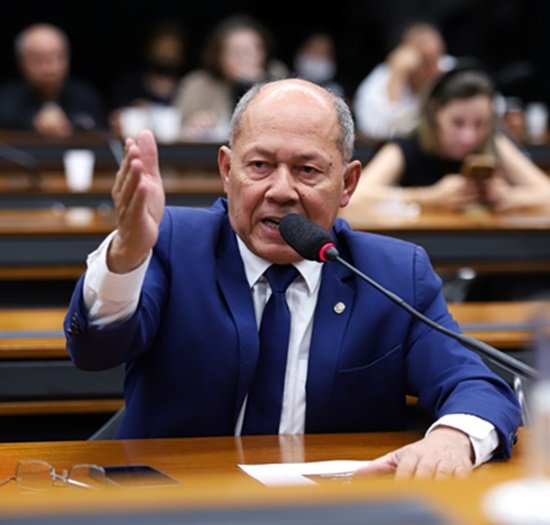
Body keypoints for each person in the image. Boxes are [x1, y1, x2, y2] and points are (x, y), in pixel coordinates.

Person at [64, 78, 520, 478]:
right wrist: (127, 253)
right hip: (178, 503)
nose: (281, 191)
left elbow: (475, 385)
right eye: (260, 166)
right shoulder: (171, 243)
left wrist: (454, 439)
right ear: (227, 171)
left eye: (307, 170)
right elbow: (95, 350)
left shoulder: (395, 274)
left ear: (347, 184)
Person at [350, 67, 550, 212]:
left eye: (480, 124)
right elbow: (354, 196)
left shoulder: (494, 142)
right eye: (458, 123)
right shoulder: (405, 147)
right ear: (434, 113)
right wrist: (428, 198)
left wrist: (510, 197)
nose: (469, 137)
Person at [173, 14, 286, 141]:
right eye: (237, 52)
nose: (245, 59)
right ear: (219, 55)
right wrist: (194, 127)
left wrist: (257, 84)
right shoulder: (197, 85)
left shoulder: (277, 80)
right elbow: (176, 132)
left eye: (251, 51)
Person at [353, 21, 454, 141]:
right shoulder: (379, 82)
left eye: (437, 57)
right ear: (406, 58)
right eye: (426, 60)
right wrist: (398, 75)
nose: (433, 68)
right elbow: (378, 130)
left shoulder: (449, 69)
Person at [0, 23, 106, 137]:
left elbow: (101, 132)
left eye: (57, 57)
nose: (49, 69)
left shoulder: (86, 97)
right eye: (38, 60)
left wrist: (69, 125)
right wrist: (34, 123)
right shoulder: (6, 99)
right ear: (21, 62)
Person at [108, 19, 187, 130]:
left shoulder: (186, 86)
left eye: (173, 50)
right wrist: (132, 112)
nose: (167, 55)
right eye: (162, 49)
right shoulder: (130, 85)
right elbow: (115, 117)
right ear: (150, 48)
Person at [292, 31, 345, 98]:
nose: (316, 59)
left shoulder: (336, 93)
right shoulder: (286, 85)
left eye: (323, 54)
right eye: (313, 52)